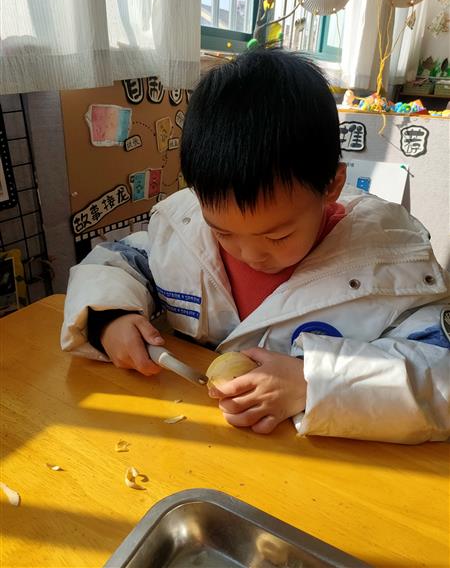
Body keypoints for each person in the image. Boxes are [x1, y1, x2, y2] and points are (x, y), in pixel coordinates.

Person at [62, 49, 450, 444]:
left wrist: (313, 383)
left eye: (277, 236)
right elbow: (118, 262)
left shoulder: (392, 265)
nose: (249, 255)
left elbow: (440, 374)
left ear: (330, 187)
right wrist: (108, 318)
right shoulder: (182, 229)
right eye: (223, 233)